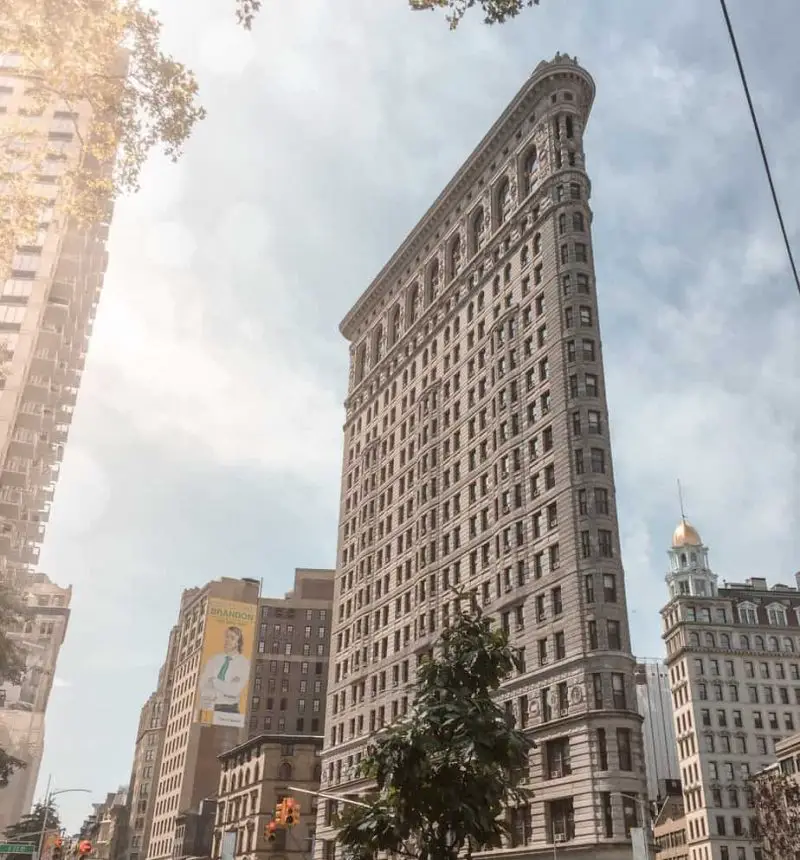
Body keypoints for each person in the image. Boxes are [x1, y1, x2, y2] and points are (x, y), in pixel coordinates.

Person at [198, 626, 251, 719]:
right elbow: (202, 684)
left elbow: (233, 690)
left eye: (232, 638)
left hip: (229, 711)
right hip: (208, 708)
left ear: (238, 643)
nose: (228, 640)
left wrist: (213, 680)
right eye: (227, 636)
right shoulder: (214, 659)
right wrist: (224, 686)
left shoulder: (243, 663)